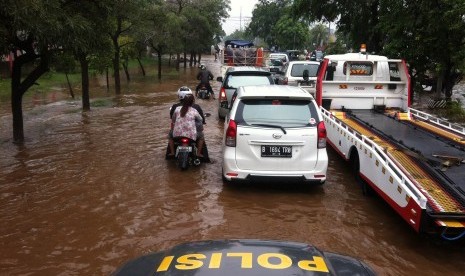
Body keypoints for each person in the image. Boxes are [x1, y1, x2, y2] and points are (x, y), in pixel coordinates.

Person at [168, 88, 204, 157]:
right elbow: (201, 120)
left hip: (177, 135)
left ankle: (172, 152)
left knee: (170, 136)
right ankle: (198, 153)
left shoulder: (177, 109)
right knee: (201, 136)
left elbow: (173, 120)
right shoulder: (194, 110)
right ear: (192, 102)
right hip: (191, 136)